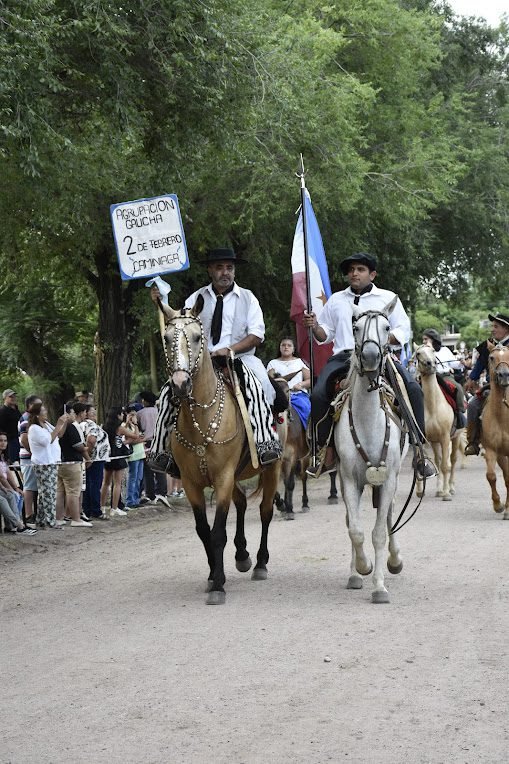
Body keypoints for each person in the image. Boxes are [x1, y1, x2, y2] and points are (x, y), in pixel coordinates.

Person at [148, 247, 283, 477]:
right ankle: (161, 450)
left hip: (240, 358)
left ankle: (265, 441)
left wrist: (229, 350)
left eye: (229, 267)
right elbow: (179, 321)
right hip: (203, 362)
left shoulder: (248, 297)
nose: (225, 272)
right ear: (210, 270)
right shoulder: (196, 298)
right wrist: (161, 301)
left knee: (258, 384)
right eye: (219, 267)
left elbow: (256, 335)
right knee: (167, 393)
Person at [302, 252, 433, 478]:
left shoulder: (388, 298)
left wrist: (380, 340)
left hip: (380, 356)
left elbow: (403, 329)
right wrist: (314, 326)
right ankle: (324, 453)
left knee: (413, 389)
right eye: (351, 270)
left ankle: (420, 452)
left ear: (372, 275)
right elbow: (325, 334)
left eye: (360, 269)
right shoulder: (336, 300)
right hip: (343, 357)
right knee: (317, 395)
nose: (354, 273)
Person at [464, 312, 509, 455]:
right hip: (492, 387)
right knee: (472, 405)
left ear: (506, 329)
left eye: (496, 327)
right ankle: (473, 442)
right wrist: (471, 379)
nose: (492, 329)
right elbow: (480, 364)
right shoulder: (488, 344)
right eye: (492, 326)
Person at [27, 403, 70, 528]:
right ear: (37, 414)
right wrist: (58, 424)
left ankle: (41, 519)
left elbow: (59, 434)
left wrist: (64, 422)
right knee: (49, 493)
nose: (46, 412)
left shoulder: (46, 424)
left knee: (45, 493)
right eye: (43, 410)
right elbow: (47, 440)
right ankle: (51, 521)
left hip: (51, 462)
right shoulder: (34, 428)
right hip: (43, 463)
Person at [54, 402, 93, 527]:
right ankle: (76, 519)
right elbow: (78, 445)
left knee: (60, 491)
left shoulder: (58, 427)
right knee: (73, 492)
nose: (73, 415)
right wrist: (85, 449)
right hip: (72, 463)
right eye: (72, 413)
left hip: (60, 462)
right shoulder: (70, 427)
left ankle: (59, 518)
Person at [100, 407, 144, 516]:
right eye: (121, 414)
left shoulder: (104, 427)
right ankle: (114, 508)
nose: (122, 416)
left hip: (108, 455)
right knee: (117, 483)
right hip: (118, 456)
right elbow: (136, 436)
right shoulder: (119, 428)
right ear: (118, 415)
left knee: (106, 482)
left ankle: (102, 507)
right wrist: (135, 424)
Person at [421, 329, 466, 430]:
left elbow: (454, 364)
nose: (424, 341)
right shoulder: (423, 351)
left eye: (426, 339)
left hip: (445, 377)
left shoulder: (444, 350)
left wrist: (461, 363)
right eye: (423, 339)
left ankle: (459, 413)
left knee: (458, 388)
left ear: (433, 339)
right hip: (428, 378)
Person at [267, 337, 311, 428]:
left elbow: (310, 380)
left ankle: (309, 433)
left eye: (289, 345)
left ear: (293, 349)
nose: (286, 347)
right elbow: (269, 381)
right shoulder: (272, 363)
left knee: (306, 408)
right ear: (279, 348)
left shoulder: (299, 362)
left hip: (297, 395)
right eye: (283, 345)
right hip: (278, 397)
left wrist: (301, 384)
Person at [0, 431, 37, 534]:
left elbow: (8, 474)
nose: (3, 443)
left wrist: (15, 488)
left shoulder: (3, 457)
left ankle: (12, 526)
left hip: (2, 487)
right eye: (0, 440)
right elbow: (1, 478)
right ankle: (19, 525)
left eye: (5, 440)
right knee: (3, 499)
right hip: (1, 487)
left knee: (12, 495)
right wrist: (10, 489)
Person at [137, 391, 169, 506]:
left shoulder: (140, 413)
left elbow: (139, 428)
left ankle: (150, 493)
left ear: (145, 401)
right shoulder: (159, 412)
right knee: (160, 468)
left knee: (148, 470)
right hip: (159, 441)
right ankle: (162, 492)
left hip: (147, 442)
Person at [80, 404, 110, 520]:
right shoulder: (91, 425)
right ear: (86, 413)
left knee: (88, 484)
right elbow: (91, 440)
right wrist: (89, 457)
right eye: (92, 411)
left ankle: (87, 509)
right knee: (95, 484)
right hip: (95, 459)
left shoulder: (83, 425)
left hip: (93, 458)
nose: (94, 413)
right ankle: (95, 510)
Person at [18, 394, 42, 523]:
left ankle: (36, 513)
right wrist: (33, 452)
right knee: (29, 486)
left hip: (35, 458)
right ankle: (28, 514)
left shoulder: (34, 418)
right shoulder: (26, 418)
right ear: (30, 405)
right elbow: (24, 438)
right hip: (28, 458)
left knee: (35, 486)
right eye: (38, 404)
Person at [124, 407, 146, 510]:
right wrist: (139, 439)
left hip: (140, 454)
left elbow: (139, 437)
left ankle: (136, 499)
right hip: (133, 455)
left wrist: (136, 425)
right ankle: (130, 500)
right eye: (131, 415)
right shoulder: (125, 427)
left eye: (135, 415)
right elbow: (131, 439)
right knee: (132, 478)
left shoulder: (136, 426)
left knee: (139, 478)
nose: (134, 417)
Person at [0, 389, 22, 464]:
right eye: (10, 397)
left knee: (18, 463)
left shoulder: (16, 409)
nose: (13, 398)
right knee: (12, 463)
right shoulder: (2, 411)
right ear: (5, 398)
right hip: (9, 441)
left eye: (14, 396)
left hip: (18, 440)